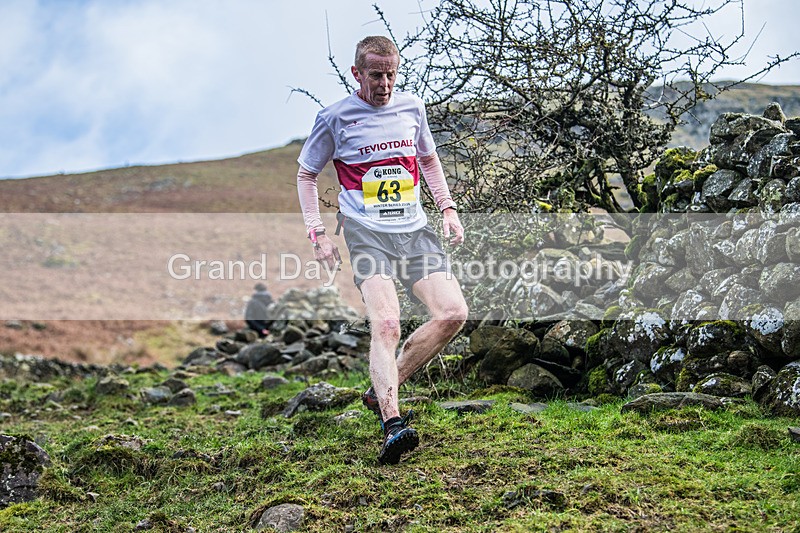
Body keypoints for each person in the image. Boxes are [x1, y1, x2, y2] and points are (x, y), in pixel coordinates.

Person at [296, 36, 469, 465]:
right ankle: (393, 424)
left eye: (392, 74)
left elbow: (427, 159)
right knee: (387, 323)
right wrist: (317, 232)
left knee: (453, 313)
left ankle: (381, 390)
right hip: (366, 232)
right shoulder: (334, 118)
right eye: (376, 75)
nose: (385, 83)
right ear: (358, 73)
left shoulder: (412, 107)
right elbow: (305, 173)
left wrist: (447, 208)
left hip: (414, 230)